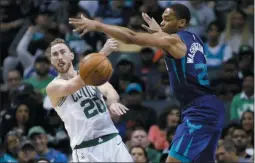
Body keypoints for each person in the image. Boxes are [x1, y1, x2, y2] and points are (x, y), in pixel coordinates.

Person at [69, 3, 225, 163]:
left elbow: (132, 37)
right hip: (211, 107)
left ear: (181, 23)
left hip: (199, 111)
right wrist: (159, 32)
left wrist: (98, 25)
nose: (162, 23)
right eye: (162, 19)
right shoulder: (195, 39)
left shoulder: (173, 41)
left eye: (167, 19)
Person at [45, 38, 133, 162]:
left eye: (63, 52)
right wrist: (102, 54)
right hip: (86, 149)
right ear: (51, 61)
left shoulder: (93, 76)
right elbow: (71, 86)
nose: (59, 57)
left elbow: (109, 90)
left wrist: (112, 102)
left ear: (71, 55)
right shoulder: (52, 87)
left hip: (112, 141)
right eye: (55, 54)